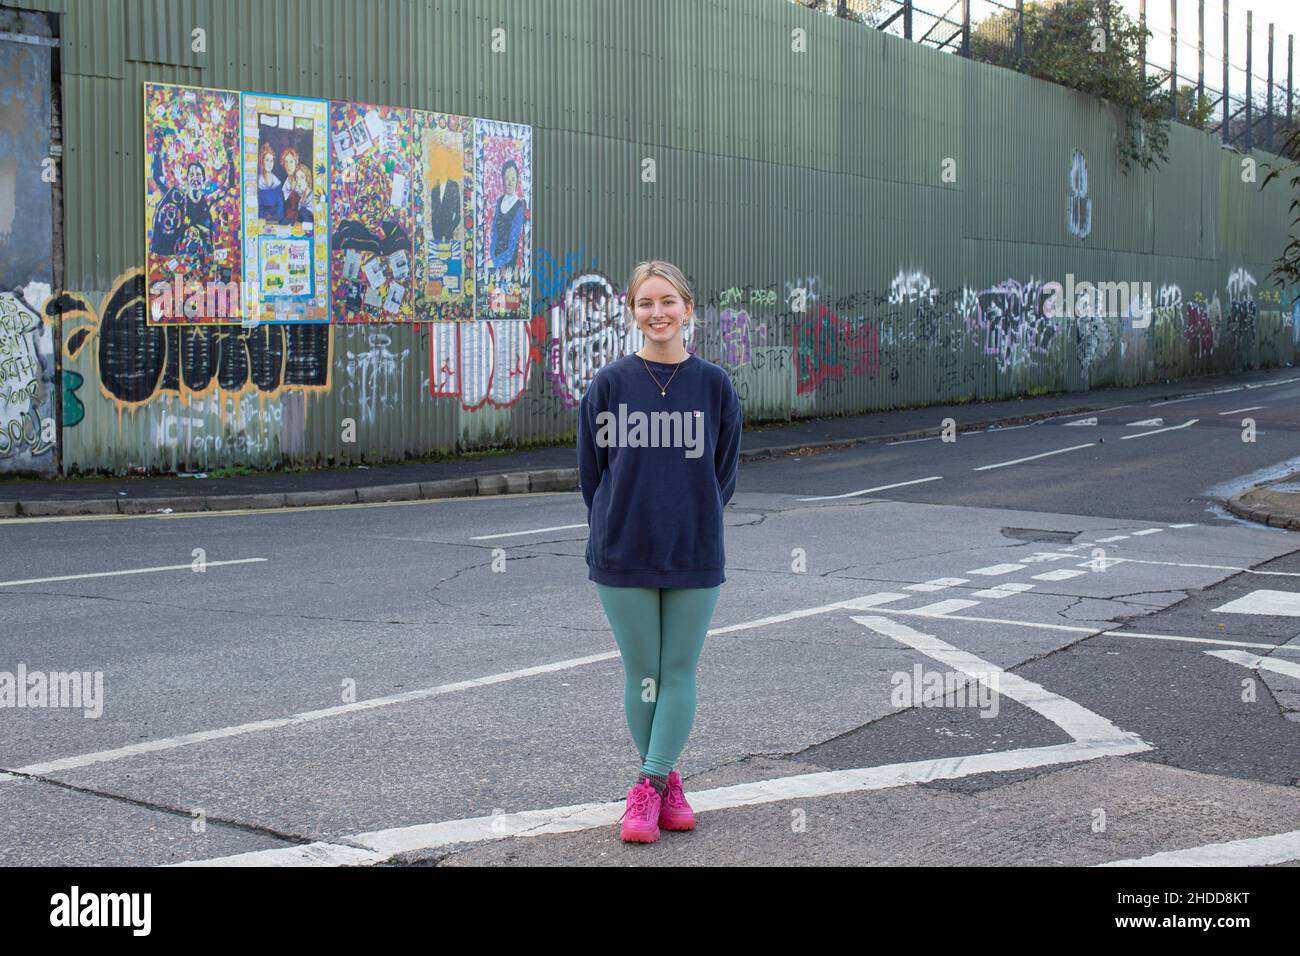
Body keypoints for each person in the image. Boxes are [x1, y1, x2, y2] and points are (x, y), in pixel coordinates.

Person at [577, 259, 743, 844]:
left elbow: (723, 474)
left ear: (687, 309)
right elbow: (592, 476)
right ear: (632, 311)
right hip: (622, 553)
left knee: (678, 671)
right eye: (646, 304)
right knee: (643, 673)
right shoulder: (609, 384)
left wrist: (689, 514)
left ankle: (647, 786)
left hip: (695, 551)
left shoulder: (715, 385)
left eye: (667, 302)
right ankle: (666, 784)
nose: (658, 313)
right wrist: (620, 523)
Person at [256, 144, 284, 222]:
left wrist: (275, 217)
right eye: (267, 160)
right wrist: (265, 216)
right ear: (262, 161)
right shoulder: (257, 183)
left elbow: (280, 207)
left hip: (276, 222)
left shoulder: (277, 183)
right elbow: (257, 207)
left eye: (271, 161)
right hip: (261, 222)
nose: (269, 164)